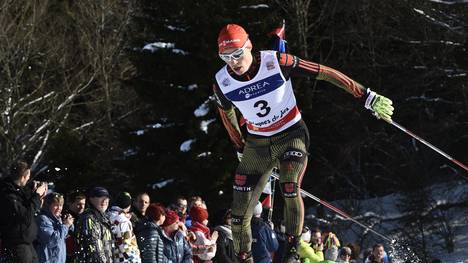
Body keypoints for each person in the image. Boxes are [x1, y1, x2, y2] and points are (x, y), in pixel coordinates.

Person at [212, 23, 394, 263]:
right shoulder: (222, 81)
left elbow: (324, 72)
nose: (233, 62)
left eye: (237, 54)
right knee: (239, 212)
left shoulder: (276, 61)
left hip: (291, 134)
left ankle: (293, 250)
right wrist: (239, 146)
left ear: (249, 46)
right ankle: (244, 258)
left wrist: (365, 94)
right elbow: (227, 115)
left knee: (289, 187)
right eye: (225, 57)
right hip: (259, 142)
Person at [0, 161, 47, 263]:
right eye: (28, 176)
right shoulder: (8, 194)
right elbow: (25, 215)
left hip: (27, 243)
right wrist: (37, 196)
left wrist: (35, 195)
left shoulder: (18, 191)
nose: (29, 179)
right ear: (22, 177)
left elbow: (29, 209)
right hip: (17, 245)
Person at [74, 186, 114, 262]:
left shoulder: (103, 218)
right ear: (91, 199)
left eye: (107, 197)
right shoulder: (89, 218)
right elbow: (94, 248)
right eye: (100, 197)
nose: (105, 200)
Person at [35, 192, 73, 263]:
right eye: (56, 205)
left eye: (61, 205)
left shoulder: (58, 220)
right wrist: (65, 226)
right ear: (48, 205)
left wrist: (70, 225)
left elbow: (63, 237)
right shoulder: (43, 219)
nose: (59, 208)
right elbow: (52, 240)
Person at [107, 192, 141, 262]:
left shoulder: (107, 215)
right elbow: (125, 244)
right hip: (123, 259)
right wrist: (132, 260)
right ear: (128, 205)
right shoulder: (123, 221)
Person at [64, 189, 86, 263]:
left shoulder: (84, 218)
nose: (82, 207)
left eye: (83, 204)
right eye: (78, 204)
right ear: (70, 203)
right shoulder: (65, 218)